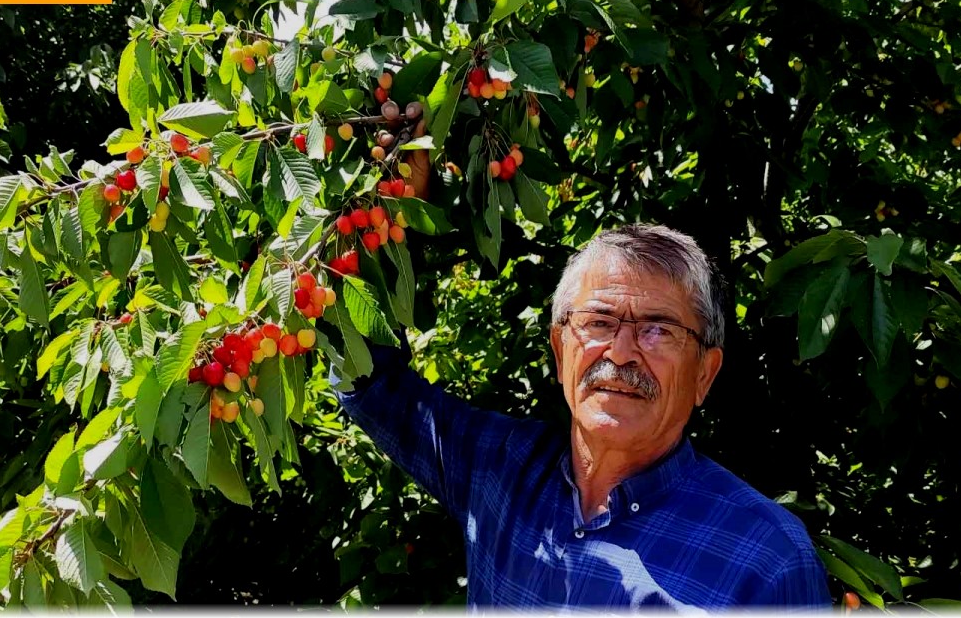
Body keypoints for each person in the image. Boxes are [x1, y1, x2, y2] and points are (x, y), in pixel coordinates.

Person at [333, 224, 831, 609]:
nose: (621, 351)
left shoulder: (769, 559)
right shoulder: (499, 469)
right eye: (598, 322)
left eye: (658, 330)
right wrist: (376, 219)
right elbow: (373, 381)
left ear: (705, 373)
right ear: (559, 350)